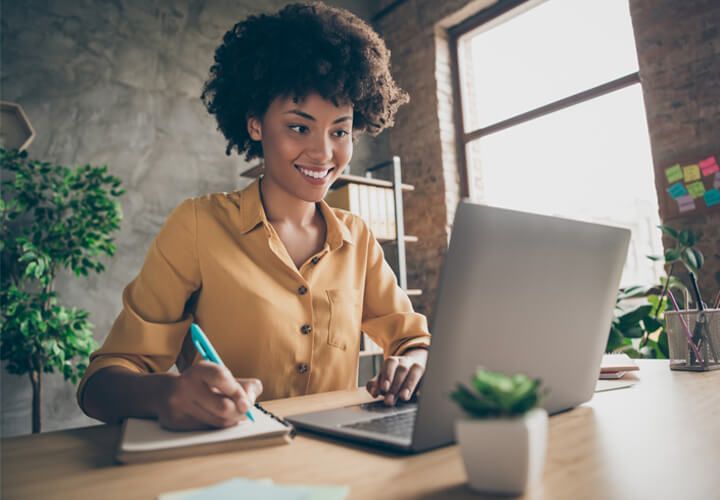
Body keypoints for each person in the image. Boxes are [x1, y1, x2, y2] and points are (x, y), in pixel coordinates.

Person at [78, 1, 431, 431]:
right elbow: (100, 385)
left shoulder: (356, 238)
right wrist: (167, 394)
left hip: (339, 466)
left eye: (339, 131)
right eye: (299, 127)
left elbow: (413, 339)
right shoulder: (197, 227)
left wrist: (413, 362)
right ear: (255, 125)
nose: (324, 153)